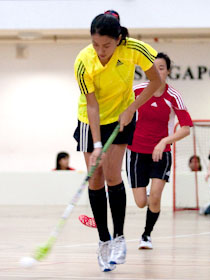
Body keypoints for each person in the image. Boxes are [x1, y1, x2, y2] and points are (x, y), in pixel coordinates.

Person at [73, 10, 161, 272]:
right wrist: (97, 145)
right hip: (91, 120)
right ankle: (103, 241)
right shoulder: (83, 61)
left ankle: (120, 237)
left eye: (107, 45)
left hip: (122, 114)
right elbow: (91, 106)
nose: (101, 50)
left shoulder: (134, 49)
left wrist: (132, 108)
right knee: (95, 176)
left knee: (113, 175)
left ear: (119, 39)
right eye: (95, 44)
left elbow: (155, 81)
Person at [127, 52, 193, 250]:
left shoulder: (174, 96)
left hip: (161, 153)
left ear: (168, 71)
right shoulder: (136, 91)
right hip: (136, 151)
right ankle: (147, 193)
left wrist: (164, 141)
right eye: (153, 68)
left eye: (161, 68)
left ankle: (146, 235)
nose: (157, 71)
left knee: (155, 197)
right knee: (141, 203)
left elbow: (186, 128)